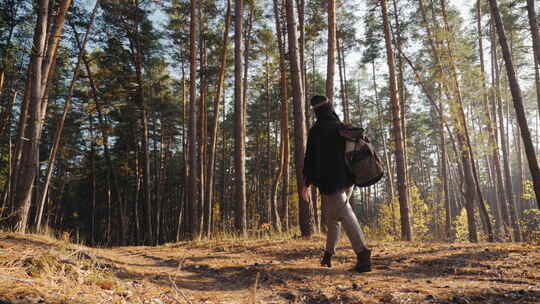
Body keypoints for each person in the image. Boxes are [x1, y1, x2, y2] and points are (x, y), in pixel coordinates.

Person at [301, 95, 371, 273]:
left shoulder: (317, 130)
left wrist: (305, 183)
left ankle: (363, 254)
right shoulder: (341, 126)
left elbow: (309, 158)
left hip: (331, 181)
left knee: (344, 213)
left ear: (316, 111)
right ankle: (328, 255)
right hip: (348, 179)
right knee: (333, 216)